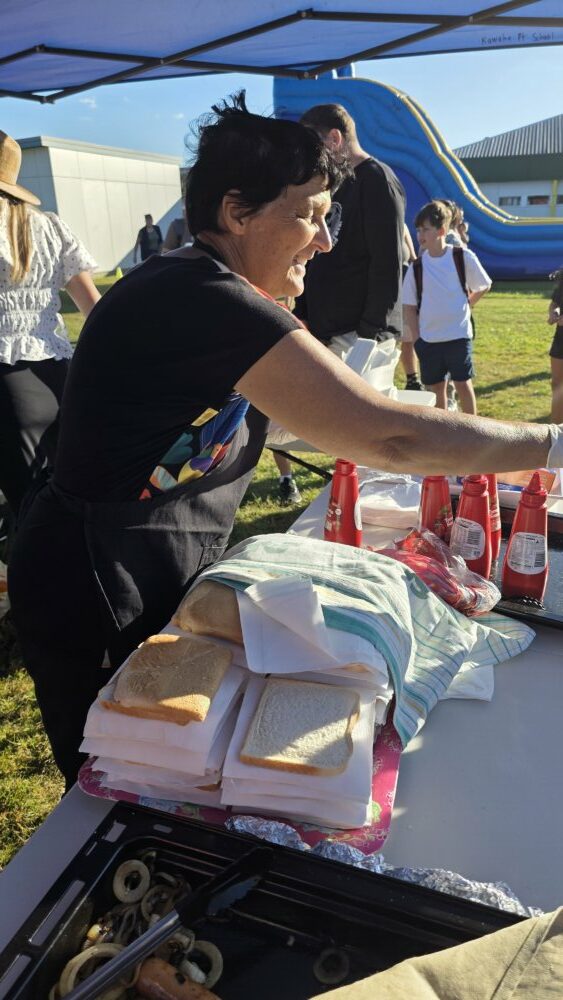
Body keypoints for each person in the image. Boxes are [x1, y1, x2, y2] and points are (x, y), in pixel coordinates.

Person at [7, 94, 561, 790]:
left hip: (140, 559)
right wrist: (552, 444)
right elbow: (388, 437)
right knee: (121, 777)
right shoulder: (206, 298)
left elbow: (286, 414)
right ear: (237, 212)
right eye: (309, 215)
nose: (325, 242)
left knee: (168, 763)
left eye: (331, 218)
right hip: (92, 576)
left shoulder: (205, 287)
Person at [0, 130, 100, 528]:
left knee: (29, 519)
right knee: (65, 506)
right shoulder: (50, 226)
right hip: (59, 378)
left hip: (6, 386)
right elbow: (95, 309)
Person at [403, 200, 491, 414]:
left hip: (458, 336)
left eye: (426, 229)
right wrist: (417, 338)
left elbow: (484, 285)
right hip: (429, 340)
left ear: (441, 230)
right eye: (418, 230)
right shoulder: (417, 267)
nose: (420, 235)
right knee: (436, 390)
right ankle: (440, 431)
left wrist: (468, 304)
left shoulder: (462, 257)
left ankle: (472, 428)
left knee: (463, 385)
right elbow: (409, 306)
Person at [547, 267, 563, 422]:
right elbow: (555, 303)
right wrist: (554, 312)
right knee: (558, 385)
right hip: (561, 339)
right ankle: (557, 429)